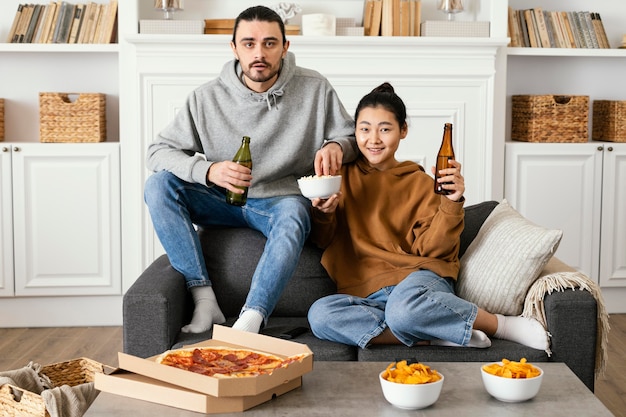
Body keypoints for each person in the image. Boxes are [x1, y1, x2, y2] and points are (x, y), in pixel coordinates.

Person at [144, 6, 357, 335]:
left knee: (294, 213)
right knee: (158, 185)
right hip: (219, 199)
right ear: (234, 48)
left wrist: (337, 146)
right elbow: (157, 152)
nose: (259, 53)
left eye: (270, 43)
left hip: (279, 200)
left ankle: (252, 318)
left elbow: (353, 137)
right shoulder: (205, 98)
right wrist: (209, 170)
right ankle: (204, 300)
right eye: (249, 44)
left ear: (285, 47)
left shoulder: (315, 88)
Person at [306, 82, 549, 351]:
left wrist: (451, 201)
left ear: (403, 131)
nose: (373, 139)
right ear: (354, 132)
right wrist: (323, 212)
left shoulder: (420, 182)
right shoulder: (339, 176)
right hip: (367, 295)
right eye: (364, 129)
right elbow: (322, 239)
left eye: (385, 129)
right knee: (320, 315)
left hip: (418, 283)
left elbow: (433, 250)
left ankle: (501, 325)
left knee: (404, 309)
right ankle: (432, 333)